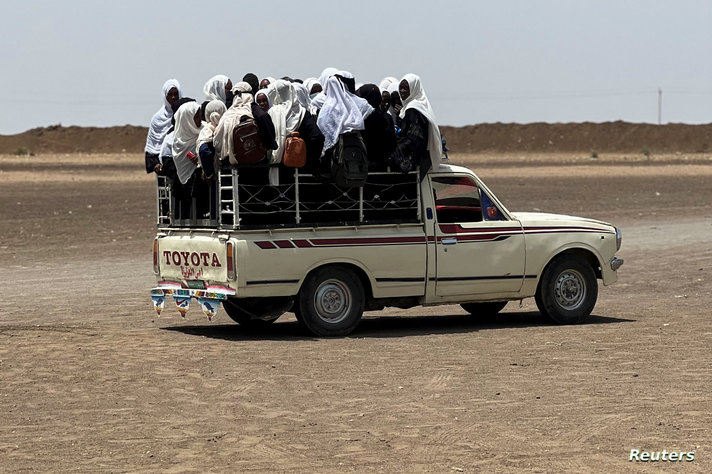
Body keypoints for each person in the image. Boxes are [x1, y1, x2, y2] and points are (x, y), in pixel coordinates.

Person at [268, 79, 324, 184]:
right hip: (300, 165)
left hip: (278, 165)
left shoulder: (273, 112)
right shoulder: (303, 112)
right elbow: (318, 137)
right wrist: (311, 159)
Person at [392, 74, 443, 178]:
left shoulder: (413, 108)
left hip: (419, 158)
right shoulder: (417, 105)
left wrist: (397, 150)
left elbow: (414, 137)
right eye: (401, 88)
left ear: (414, 88)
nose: (402, 91)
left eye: (406, 88)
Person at [172, 101, 203, 218]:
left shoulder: (205, 130)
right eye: (196, 116)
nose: (200, 119)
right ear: (187, 119)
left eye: (200, 115)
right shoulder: (178, 140)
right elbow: (179, 158)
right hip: (185, 186)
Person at [356, 84, 397, 171]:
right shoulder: (386, 118)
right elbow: (392, 144)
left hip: (362, 168)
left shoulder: (359, 119)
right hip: (382, 167)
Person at [145, 79, 181, 174]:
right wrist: (156, 164)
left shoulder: (187, 114)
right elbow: (152, 148)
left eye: (175, 94)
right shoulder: (157, 119)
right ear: (165, 96)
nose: (173, 97)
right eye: (170, 94)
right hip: (166, 164)